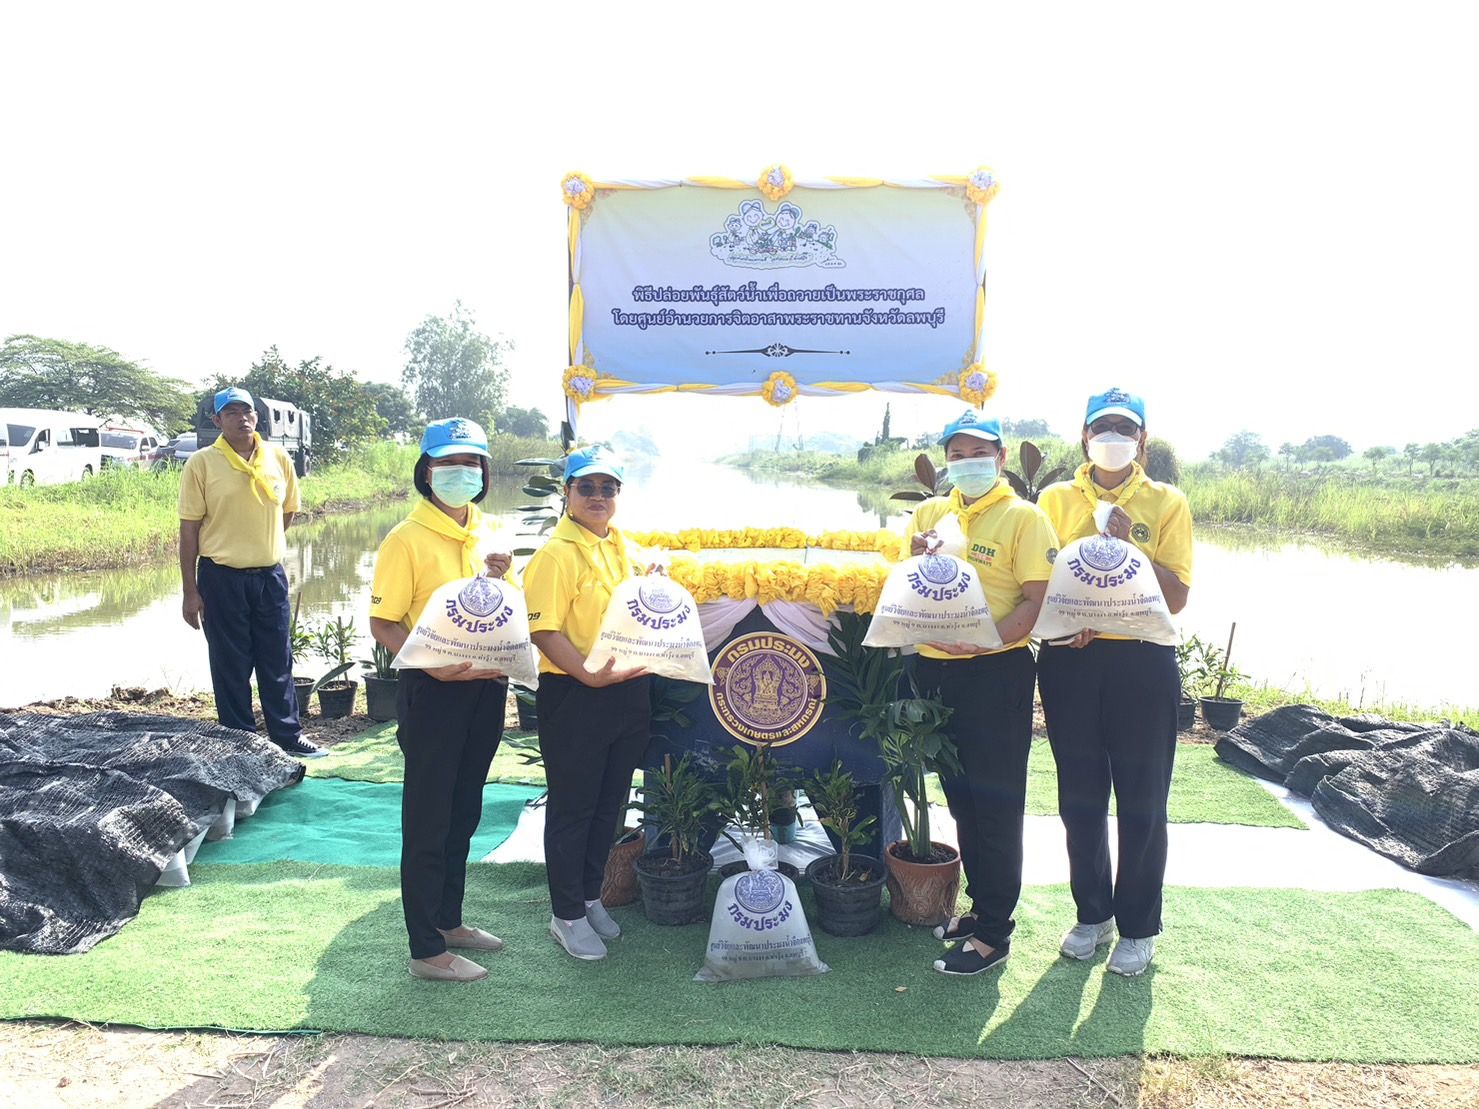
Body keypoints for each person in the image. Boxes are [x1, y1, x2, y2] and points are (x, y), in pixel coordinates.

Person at [1036, 388, 1193, 977]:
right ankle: (1093, 915)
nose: (1113, 438)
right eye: (1102, 427)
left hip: (1142, 664)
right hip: (1070, 660)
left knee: (1142, 800)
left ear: (1142, 440)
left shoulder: (1166, 502)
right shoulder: (1054, 499)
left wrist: (1130, 547)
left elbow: (1176, 597)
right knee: (1079, 798)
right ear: (1084, 436)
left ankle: (1139, 927)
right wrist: (1064, 624)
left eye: (1125, 429)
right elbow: (1041, 582)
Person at [906, 410, 1058, 976]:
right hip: (935, 672)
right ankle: (980, 908)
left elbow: (1037, 600)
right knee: (962, 799)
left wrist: (987, 640)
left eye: (979, 454)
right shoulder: (929, 513)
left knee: (996, 803)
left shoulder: (1024, 518)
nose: (967, 463)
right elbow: (907, 588)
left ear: (1000, 457)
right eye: (957, 455)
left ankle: (995, 932)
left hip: (995, 672)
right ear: (946, 461)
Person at [368, 417, 514, 984]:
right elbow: (384, 623)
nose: (461, 473)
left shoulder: (489, 530)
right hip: (433, 691)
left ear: (484, 471)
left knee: (464, 810)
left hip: (486, 687)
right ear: (426, 472)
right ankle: (425, 949)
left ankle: (449, 920)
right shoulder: (405, 539)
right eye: (448, 463)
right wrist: (431, 665)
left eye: (471, 462)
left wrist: (501, 577)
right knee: (429, 819)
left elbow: (497, 611)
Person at [522, 446, 650, 962]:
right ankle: (565, 914)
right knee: (574, 807)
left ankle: (590, 896)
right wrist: (587, 674)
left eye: (607, 488)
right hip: (575, 694)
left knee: (608, 803)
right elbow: (543, 630)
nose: (598, 497)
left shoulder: (623, 547)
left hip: (626, 690)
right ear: (567, 493)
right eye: (587, 487)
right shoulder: (556, 554)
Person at [178, 386, 322, 759]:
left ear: (256, 417)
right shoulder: (202, 464)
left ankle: (288, 736)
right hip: (221, 577)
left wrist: (262, 544)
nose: (242, 419)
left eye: (247, 412)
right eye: (231, 413)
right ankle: (241, 742)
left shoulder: (278, 457)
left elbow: (288, 511)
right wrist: (190, 591)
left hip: (269, 577)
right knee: (231, 664)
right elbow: (189, 531)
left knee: (277, 659)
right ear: (217, 420)